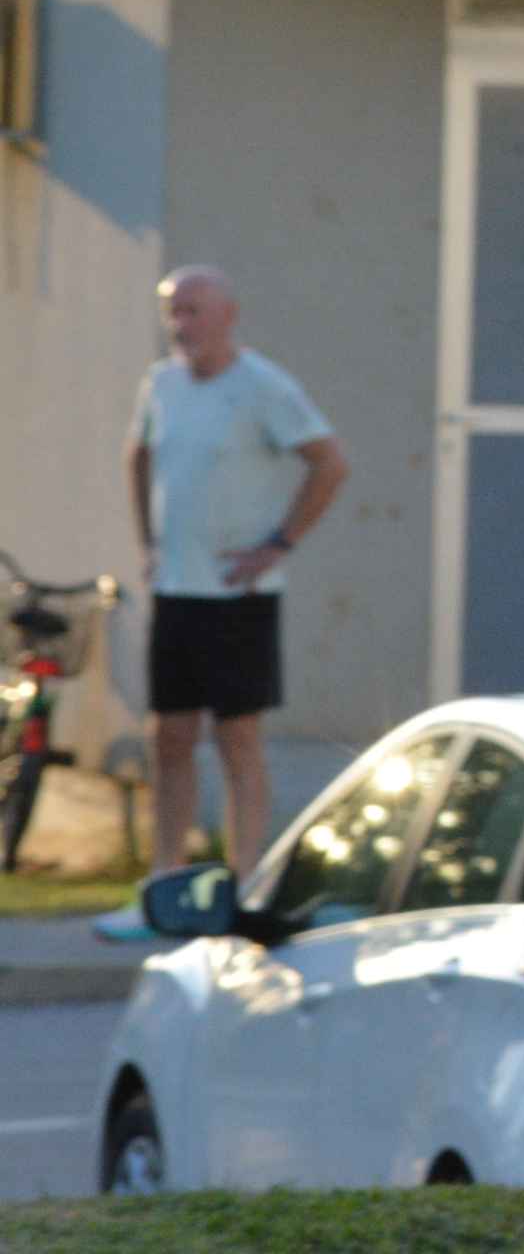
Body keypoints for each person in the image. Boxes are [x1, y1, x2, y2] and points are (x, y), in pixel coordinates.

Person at [93, 266, 347, 942]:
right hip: (176, 591)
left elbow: (330, 464)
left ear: (228, 315)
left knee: (237, 736)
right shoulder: (162, 383)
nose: (182, 324)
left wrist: (278, 544)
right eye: (174, 312)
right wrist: (148, 543)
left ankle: (244, 886)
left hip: (241, 596)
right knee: (170, 737)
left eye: (195, 311)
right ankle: (163, 889)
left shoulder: (263, 387)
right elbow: (137, 454)